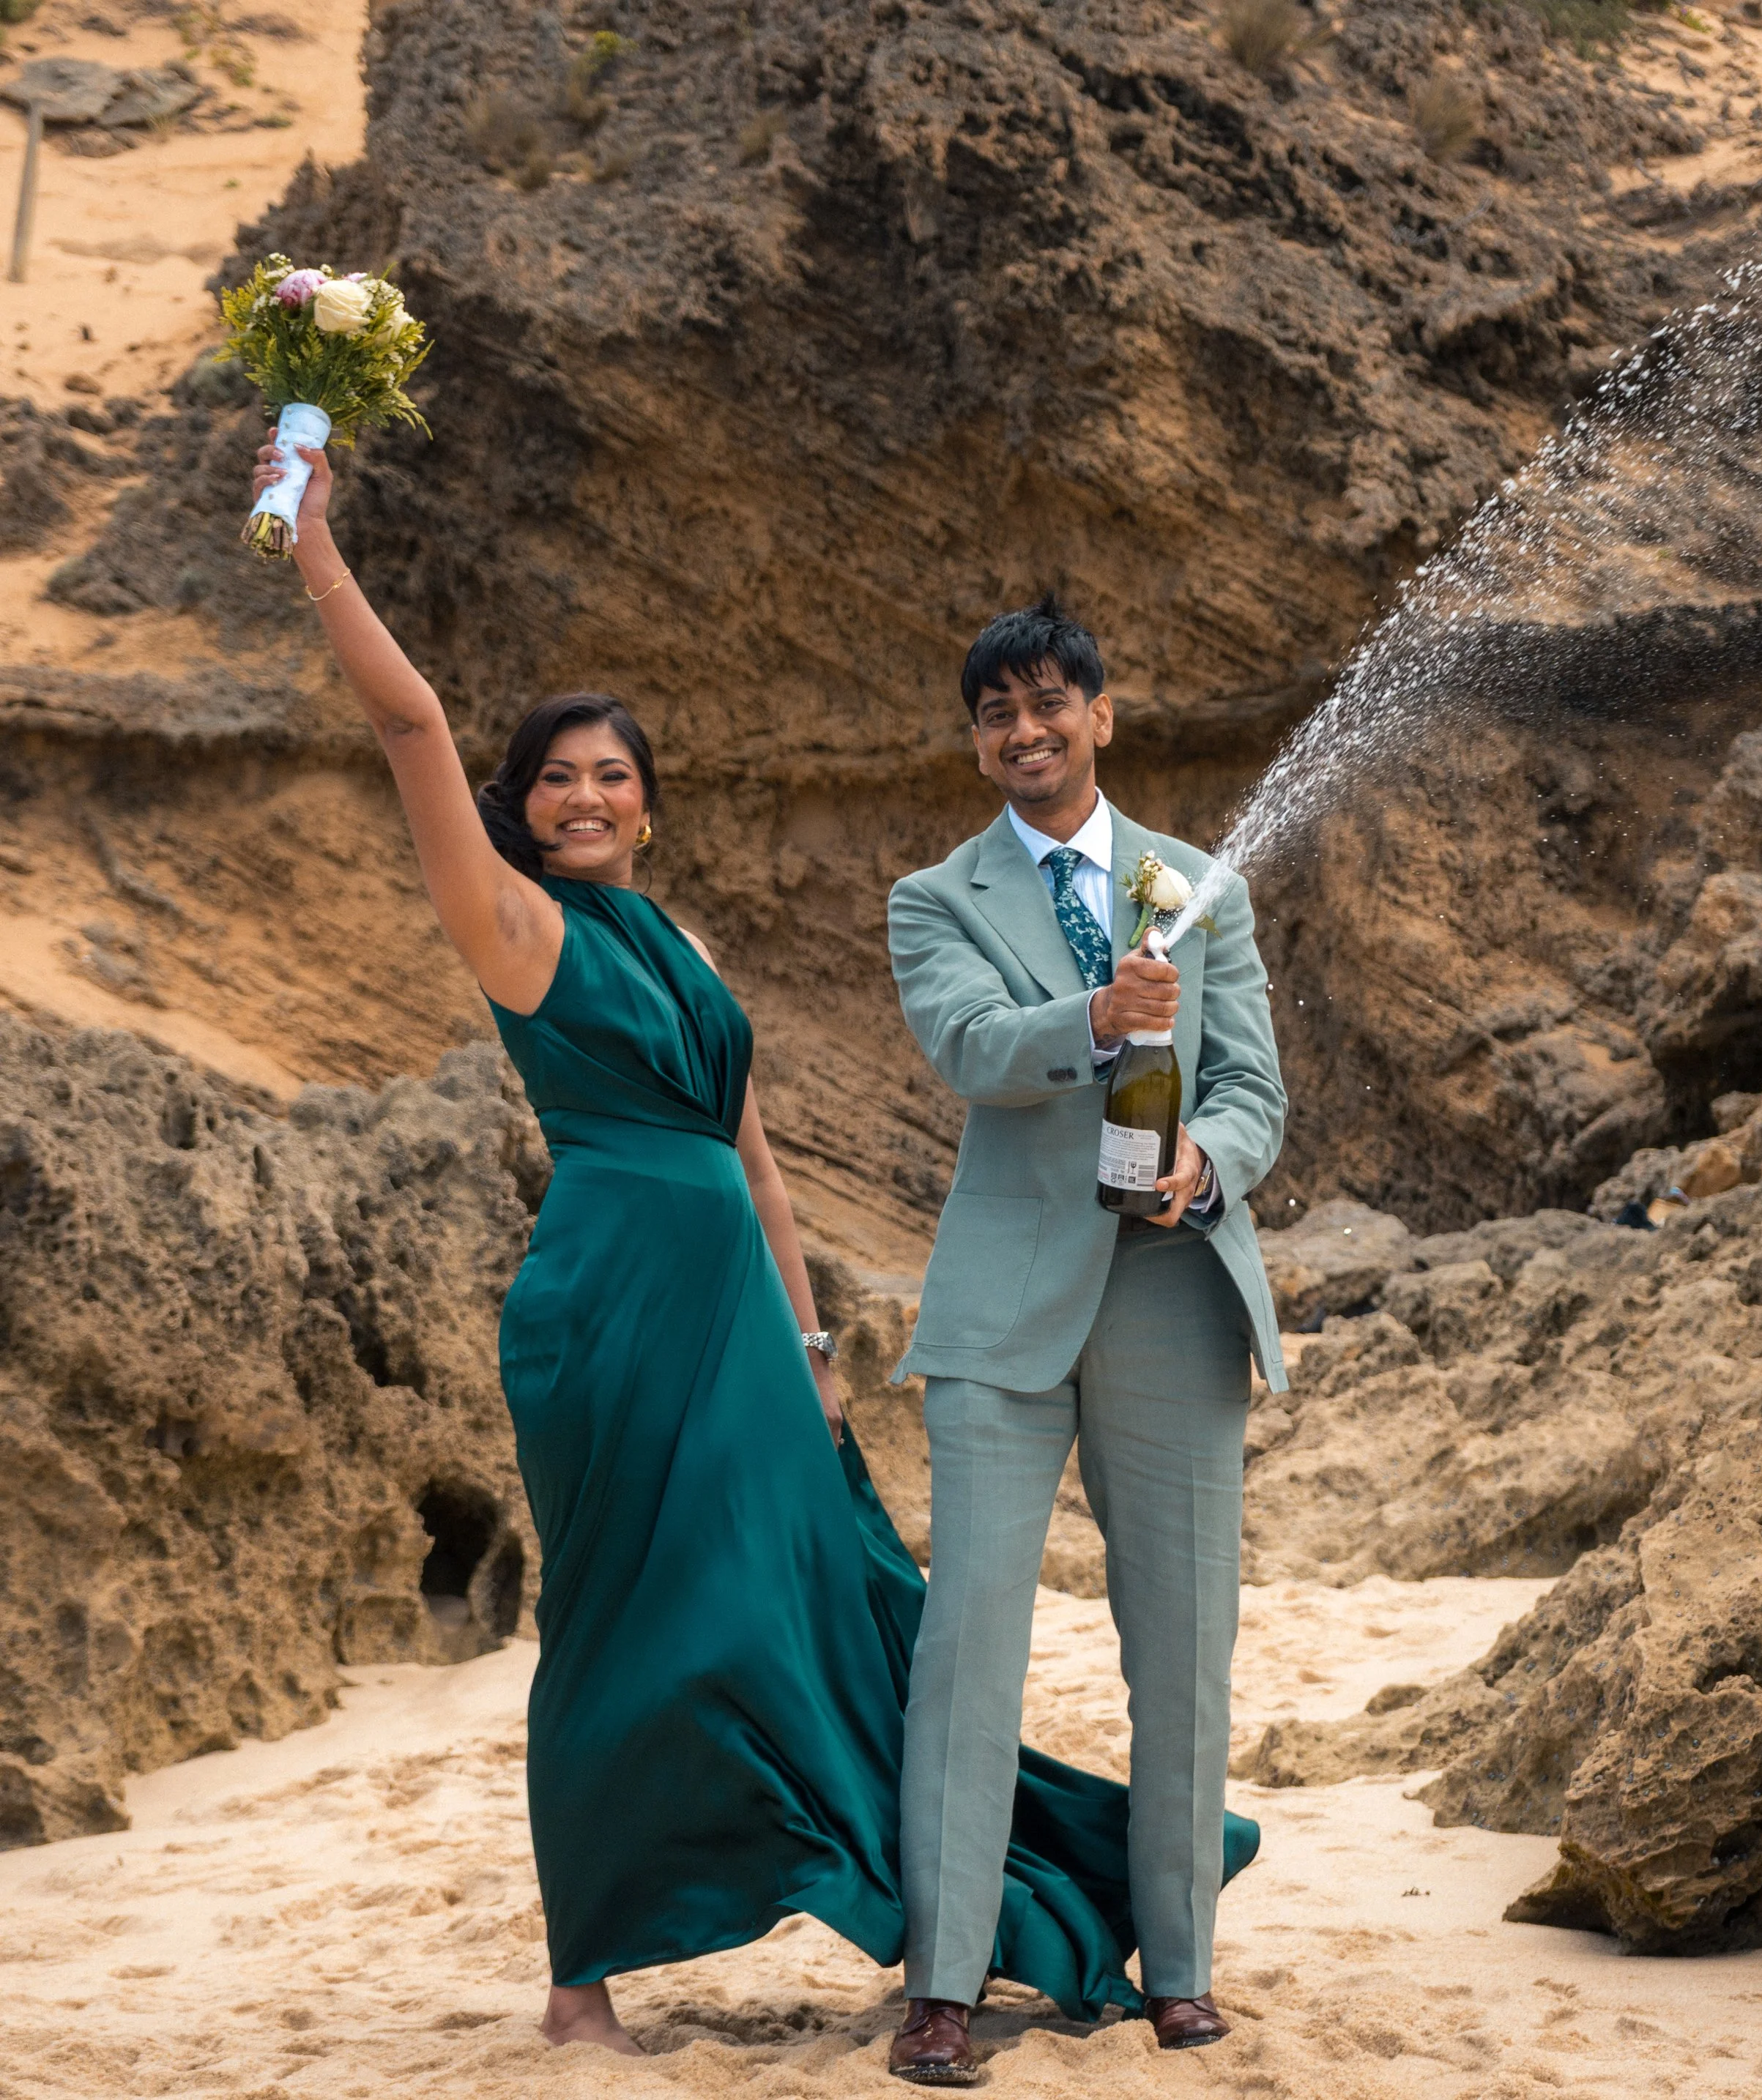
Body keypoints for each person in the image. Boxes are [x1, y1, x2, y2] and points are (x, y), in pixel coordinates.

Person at [251, 440, 1178, 2071]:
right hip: (607, 1304)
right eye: (556, 778)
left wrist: (812, 1350)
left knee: (822, 1589)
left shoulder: (677, 942)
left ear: (648, 803)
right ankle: (580, 1974)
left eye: (612, 776)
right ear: (519, 809)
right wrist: (317, 543)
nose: (585, 796)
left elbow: (751, 1158)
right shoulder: (510, 923)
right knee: (623, 1619)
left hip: (741, 1316)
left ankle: (921, 1905)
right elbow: (407, 726)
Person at [884, 595, 1287, 2080]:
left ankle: (1177, 1967)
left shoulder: (1200, 887)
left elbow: (1251, 1086)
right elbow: (970, 1052)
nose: (1023, 730)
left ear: (1098, 718)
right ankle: (945, 1982)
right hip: (997, 1313)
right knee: (966, 1643)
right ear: (977, 739)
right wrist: (1095, 1015)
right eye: (995, 712)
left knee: (1181, 1647)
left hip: (1172, 1288)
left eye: (1049, 702)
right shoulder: (932, 898)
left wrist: (1211, 1162)